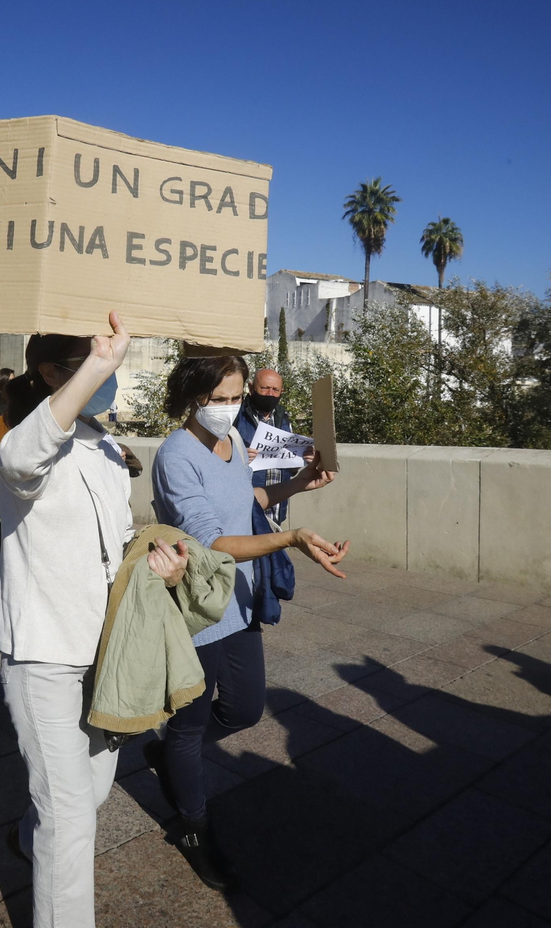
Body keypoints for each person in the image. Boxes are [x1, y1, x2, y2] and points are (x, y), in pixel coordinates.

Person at [0, 313, 187, 927]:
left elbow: (116, 545)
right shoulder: (24, 439)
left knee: (89, 793)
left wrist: (159, 569)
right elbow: (25, 458)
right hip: (46, 654)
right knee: (73, 813)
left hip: (106, 653)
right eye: (91, 360)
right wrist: (98, 368)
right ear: (51, 373)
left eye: (110, 360)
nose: (107, 370)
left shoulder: (106, 449)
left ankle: (29, 839)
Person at [146, 354, 349, 891]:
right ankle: (192, 828)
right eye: (219, 399)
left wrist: (301, 483)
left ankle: (168, 752)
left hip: (240, 601)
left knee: (243, 708)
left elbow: (249, 502)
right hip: (198, 609)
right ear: (193, 397)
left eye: (236, 397)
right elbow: (213, 540)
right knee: (190, 728)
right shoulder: (176, 455)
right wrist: (293, 538)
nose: (230, 408)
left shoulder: (233, 443)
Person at [235, 366, 296, 524]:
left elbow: (292, 469)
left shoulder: (284, 419)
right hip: (244, 513)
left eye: (275, 390)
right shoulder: (235, 417)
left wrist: (299, 459)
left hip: (276, 513)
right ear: (251, 388)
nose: (270, 394)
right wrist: (240, 457)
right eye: (264, 388)